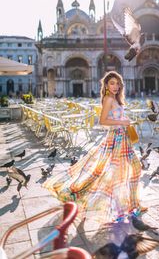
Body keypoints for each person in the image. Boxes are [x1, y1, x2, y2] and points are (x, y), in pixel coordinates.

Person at [42, 71, 146, 225]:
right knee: (113, 174)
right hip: (116, 138)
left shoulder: (116, 99)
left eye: (117, 83)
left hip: (123, 138)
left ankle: (133, 204)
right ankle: (121, 207)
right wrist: (122, 122)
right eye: (112, 83)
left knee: (134, 169)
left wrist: (124, 120)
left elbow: (114, 118)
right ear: (106, 85)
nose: (115, 86)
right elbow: (103, 121)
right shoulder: (108, 98)